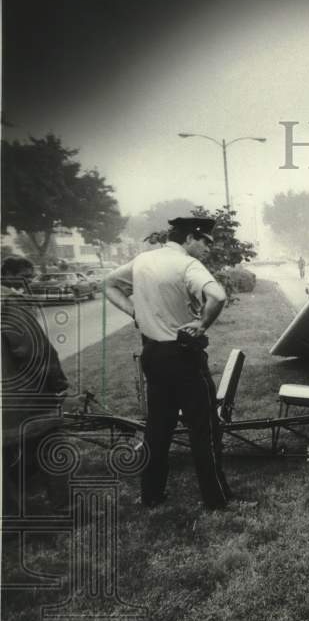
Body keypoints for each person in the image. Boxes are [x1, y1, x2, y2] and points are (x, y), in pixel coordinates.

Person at [104, 217, 234, 510]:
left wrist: (133, 312)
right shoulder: (187, 264)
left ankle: (152, 494)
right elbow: (218, 295)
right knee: (205, 429)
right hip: (184, 356)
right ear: (190, 238)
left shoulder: (142, 260)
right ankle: (217, 499)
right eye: (205, 242)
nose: (207, 249)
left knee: (158, 428)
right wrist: (202, 324)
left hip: (152, 355)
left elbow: (109, 284)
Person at [2, 256, 70, 514]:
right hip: (22, 397)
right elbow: (34, 351)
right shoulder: (8, 301)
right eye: (24, 277)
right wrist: (57, 383)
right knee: (51, 443)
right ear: (7, 273)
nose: (27, 283)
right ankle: (65, 506)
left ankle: (8, 520)